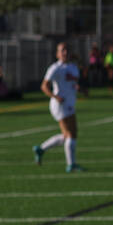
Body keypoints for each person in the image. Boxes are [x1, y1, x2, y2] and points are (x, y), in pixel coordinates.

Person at [33, 42, 87, 172]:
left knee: (68, 135)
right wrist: (55, 97)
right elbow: (44, 86)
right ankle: (71, 165)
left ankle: (41, 149)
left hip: (69, 103)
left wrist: (79, 89)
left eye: (67, 49)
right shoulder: (55, 68)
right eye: (62, 50)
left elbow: (72, 84)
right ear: (57, 54)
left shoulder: (73, 67)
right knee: (70, 135)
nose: (65, 52)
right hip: (60, 104)